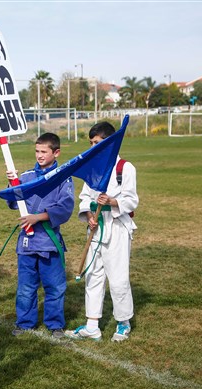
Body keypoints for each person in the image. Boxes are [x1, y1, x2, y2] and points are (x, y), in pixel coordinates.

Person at [65, 122, 139, 342]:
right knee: (93, 275)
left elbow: (132, 200)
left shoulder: (124, 168)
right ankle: (92, 325)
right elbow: (85, 198)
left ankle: (123, 322)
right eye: (91, 143)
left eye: (96, 143)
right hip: (96, 228)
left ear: (108, 143)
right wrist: (88, 216)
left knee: (117, 278)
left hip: (117, 227)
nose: (92, 146)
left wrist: (112, 201)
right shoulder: (93, 167)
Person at [7, 132, 74, 339]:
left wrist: (39, 217)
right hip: (27, 243)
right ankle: (25, 322)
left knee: (54, 287)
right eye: (37, 151)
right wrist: (12, 184)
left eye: (44, 151)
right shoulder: (26, 176)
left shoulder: (64, 178)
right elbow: (14, 203)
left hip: (49, 242)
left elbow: (65, 208)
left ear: (56, 152)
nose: (39, 155)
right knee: (26, 287)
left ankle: (55, 324)